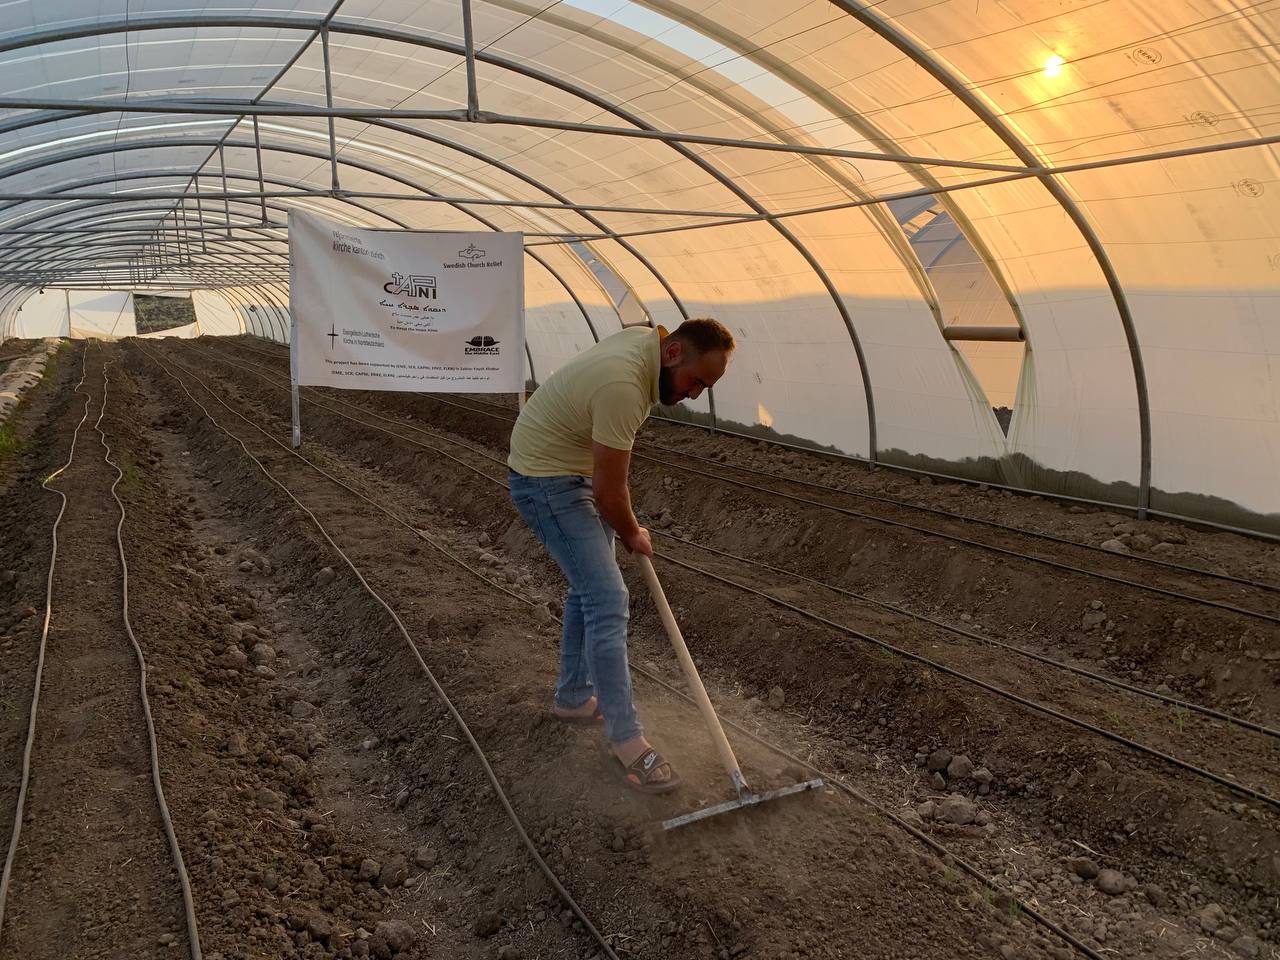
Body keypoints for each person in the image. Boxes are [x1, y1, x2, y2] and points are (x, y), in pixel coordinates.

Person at [507, 318, 736, 793]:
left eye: (707, 387)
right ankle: (627, 741)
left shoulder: (649, 343)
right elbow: (611, 493)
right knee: (607, 598)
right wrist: (633, 532)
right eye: (696, 381)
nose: (695, 395)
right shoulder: (623, 385)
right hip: (546, 481)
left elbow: (607, 484)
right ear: (672, 354)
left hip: (569, 467)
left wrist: (623, 523)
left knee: (590, 589)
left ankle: (573, 697)